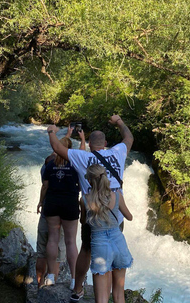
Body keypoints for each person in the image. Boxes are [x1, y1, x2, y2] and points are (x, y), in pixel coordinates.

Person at [46, 114, 133, 302]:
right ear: (106, 143)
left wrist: (52, 131)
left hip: (92, 215)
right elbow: (129, 138)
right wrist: (119, 122)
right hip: (115, 213)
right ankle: (114, 294)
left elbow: (57, 147)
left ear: (90, 145)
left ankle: (78, 289)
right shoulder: (117, 152)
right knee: (116, 255)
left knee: (86, 249)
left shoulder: (82, 157)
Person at [35, 126, 85, 288]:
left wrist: (41, 202)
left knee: (52, 239)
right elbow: (83, 156)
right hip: (70, 204)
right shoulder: (76, 164)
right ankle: (74, 280)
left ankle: (50, 277)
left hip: (52, 203)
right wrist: (83, 140)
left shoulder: (49, 165)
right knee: (71, 242)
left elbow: (45, 186)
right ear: (69, 150)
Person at [82, 164, 133, 303]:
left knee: (102, 299)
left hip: (100, 247)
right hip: (119, 243)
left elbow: (83, 221)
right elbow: (129, 217)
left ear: (90, 181)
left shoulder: (85, 200)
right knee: (119, 295)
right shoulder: (117, 196)